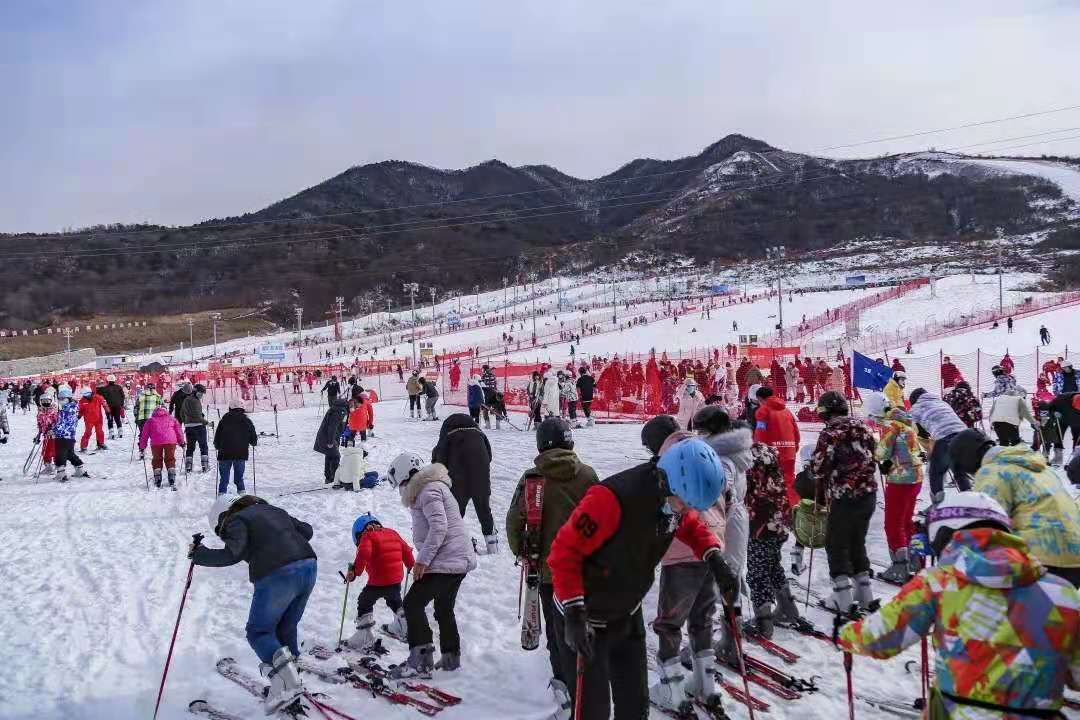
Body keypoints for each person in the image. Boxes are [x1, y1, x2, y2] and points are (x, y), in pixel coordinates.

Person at [547, 424, 737, 720]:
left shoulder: (674, 500)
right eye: (684, 503)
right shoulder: (610, 499)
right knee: (593, 710)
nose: (686, 509)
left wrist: (713, 556)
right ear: (665, 480)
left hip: (626, 613)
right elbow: (563, 552)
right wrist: (573, 610)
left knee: (635, 707)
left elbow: (688, 524)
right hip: (585, 619)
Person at [837, 492, 1079, 719]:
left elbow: (882, 638)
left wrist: (846, 634)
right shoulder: (1063, 594)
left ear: (945, 534)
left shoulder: (938, 583)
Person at [505, 417, 598, 718]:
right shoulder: (587, 475)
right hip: (584, 569)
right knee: (582, 623)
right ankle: (587, 679)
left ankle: (566, 688)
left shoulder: (533, 478)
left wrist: (521, 551)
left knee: (557, 632)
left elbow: (514, 521)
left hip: (547, 571)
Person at [191, 494, 317, 713]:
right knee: (286, 627)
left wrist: (200, 555)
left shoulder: (235, 520)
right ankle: (293, 677)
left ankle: (288, 683)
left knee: (259, 632)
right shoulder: (274, 510)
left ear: (223, 516)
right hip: (308, 565)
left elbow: (233, 553)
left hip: (277, 572)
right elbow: (307, 531)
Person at [384, 452, 477, 677]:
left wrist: (422, 561)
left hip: (446, 560)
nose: (401, 490)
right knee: (443, 608)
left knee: (412, 604)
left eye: (401, 485)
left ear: (407, 476)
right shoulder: (432, 488)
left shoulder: (428, 490)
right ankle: (450, 658)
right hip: (456, 559)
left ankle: (421, 660)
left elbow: (439, 527)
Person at [950, 429, 1080, 587]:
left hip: (1043, 557)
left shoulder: (992, 472)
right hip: (1073, 551)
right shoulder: (1032, 463)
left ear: (968, 458)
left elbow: (985, 523)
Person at [810, 391, 878, 613]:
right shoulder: (864, 428)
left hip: (844, 496)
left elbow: (819, 467)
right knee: (857, 540)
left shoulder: (831, 434)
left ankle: (843, 595)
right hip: (868, 494)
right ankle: (865, 591)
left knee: (836, 543)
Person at [864, 392, 924, 584]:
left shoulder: (891, 426)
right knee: (906, 520)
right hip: (916, 476)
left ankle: (900, 567)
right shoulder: (905, 419)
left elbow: (881, 452)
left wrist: (878, 455)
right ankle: (916, 560)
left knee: (893, 523)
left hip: (900, 479)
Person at [343, 513, 415, 652]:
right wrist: (411, 565)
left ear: (358, 533)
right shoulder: (392, 533)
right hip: (395, 580)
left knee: (364, 601)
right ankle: (405, 627)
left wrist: (354, 572)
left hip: (377, 582)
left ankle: (364, 635)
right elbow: (406, 550)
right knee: (394, 600)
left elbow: (363, 553)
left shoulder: (367, 536)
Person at [431, 413, 496, 554]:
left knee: (455, 511)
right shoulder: (479, 433)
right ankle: (492, 545)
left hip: (458, 476)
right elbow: (489, 455)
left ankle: (453, 545)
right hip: (481, 475)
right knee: (484, 509)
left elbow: (439, 460)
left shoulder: (448, 433)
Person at [909, 387, 971, 503]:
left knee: (936, 472)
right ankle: (969, 500)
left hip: (945, 436)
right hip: (965, 435)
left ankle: (937, 504)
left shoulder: (917, 407)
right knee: (959, 470)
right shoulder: (941, 402)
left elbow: (907, 423)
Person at [752, 386, 800, 507]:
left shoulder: (763, 411)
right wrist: (795, 447)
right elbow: (796, 431)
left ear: (760, 399)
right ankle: (795, 506)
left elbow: (760, 432)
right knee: (790, 480)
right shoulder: (787, 411)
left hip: (773, 453)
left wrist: (757, 449)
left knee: (773, 483)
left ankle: (782, 510)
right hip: (790, 451)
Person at [214, 399, 258, 494]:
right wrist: (253, 442)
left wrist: (217, 446)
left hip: (224, 454)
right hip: (240, 453)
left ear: (230, 407)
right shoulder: (247, 421)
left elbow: (217, 436)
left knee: (224, 479)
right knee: (239, 478)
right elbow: (253, 438)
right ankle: (242, 496)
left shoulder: (224, 420)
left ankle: (221, 497)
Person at [139, 406, 185, 489]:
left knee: (157, 459)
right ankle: (171, 478)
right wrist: (181, 442)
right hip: (171, 441)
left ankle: (158, 479)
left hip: (156, 442)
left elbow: (144, 435)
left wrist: (142, 447)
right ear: (166, 411)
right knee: (170, 458)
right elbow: (178, 431)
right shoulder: (172, 419)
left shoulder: (150, 420)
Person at [52, 387, 88, 483]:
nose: (61, 401)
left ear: (68, 398)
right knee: (69, 453)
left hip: (62, 435)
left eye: (63, 399)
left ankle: (61, 473)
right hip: (70, 436)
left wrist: (53, 430)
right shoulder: (73, 407)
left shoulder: (66, 410)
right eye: (59, 399)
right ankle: (79, 468)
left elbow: (61, 423)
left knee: (60, 454)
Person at [314, 397, 349, 484]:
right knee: (335, 456)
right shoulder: (340, 411)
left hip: (328, 437)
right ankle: (335, 478)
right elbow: (332, 427)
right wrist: (330, 441)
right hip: (329, 438)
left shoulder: (336, 408)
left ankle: (329, 477)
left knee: (329, 456)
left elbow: (339, 426)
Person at [180, 383, 210, 473]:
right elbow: (198, 416)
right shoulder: (195, 401)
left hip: (189, 427)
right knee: (203, 446)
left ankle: (188, 466)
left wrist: (186, 422)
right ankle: (205, 465)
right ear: (195, 391)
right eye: (200, 393)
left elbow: (181, 413)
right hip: (199, 427)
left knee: (190, 447)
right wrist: (206, 422)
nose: (201, 396)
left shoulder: (186, 400)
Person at [77, 388, 108, 452]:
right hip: (88, 420)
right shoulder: (82, 401)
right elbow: (81, 410)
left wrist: (108, 411)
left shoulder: (98, 397)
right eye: (85, 395)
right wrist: (78, 416)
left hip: (98, 418)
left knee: (99, 431)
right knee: (88, 432)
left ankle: (101, 444)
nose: (87, 396)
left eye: (88, 395)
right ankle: (83, 446)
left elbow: (104, 403)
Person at [35, 392, 58, 476]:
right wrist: (39, 434)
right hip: (46, 435)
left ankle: (57, 465)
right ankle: (48, 466)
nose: (45, 402)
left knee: (54, 450)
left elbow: (58, 423)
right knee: (45, 451)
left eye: (47, 401)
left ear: (51, 401)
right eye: (43, 401)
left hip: (54, 435)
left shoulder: (54, 411)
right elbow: (40, 423)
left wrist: (53, 427)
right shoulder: (40, 412)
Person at [99, 375, 125, 439]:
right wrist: (121, 404)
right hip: (117, 406)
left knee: (110, 419)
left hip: (109, 407)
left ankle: (111, 433)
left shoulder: (104, 388)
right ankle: (120, 432)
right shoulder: (119, 387)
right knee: (117, 419)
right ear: (114, 380)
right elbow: (123, 396)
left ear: (107, 380)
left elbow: (100, 395)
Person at [480, 364, 498, 429]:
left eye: (483, 369)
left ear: (484, 369)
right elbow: (495, 385)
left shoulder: (484, 376)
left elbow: (481, 384)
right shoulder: (493, 375)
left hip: (487, 394)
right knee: (496, 409)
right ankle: (498, 425)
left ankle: (488, 425)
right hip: (494, 394)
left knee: (485, 409)